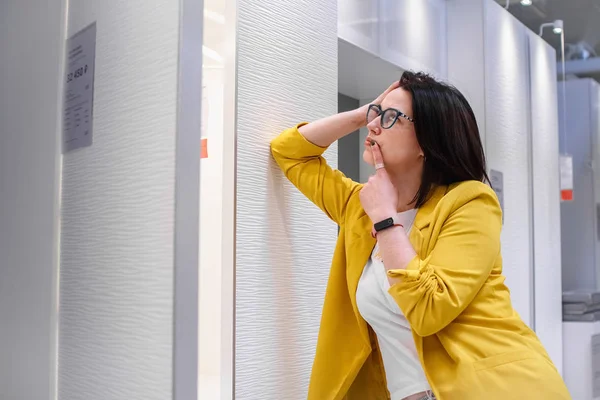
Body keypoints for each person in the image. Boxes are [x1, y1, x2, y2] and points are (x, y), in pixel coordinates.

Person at [270, 71, 571, 400]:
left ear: (428, 141)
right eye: (376, 114)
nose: (374, 125)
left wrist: (386, 221)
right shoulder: (357, 208)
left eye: (390, 118)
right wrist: (364, 113)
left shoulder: (471, 202)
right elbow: (289, 152)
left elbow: (430, 309)